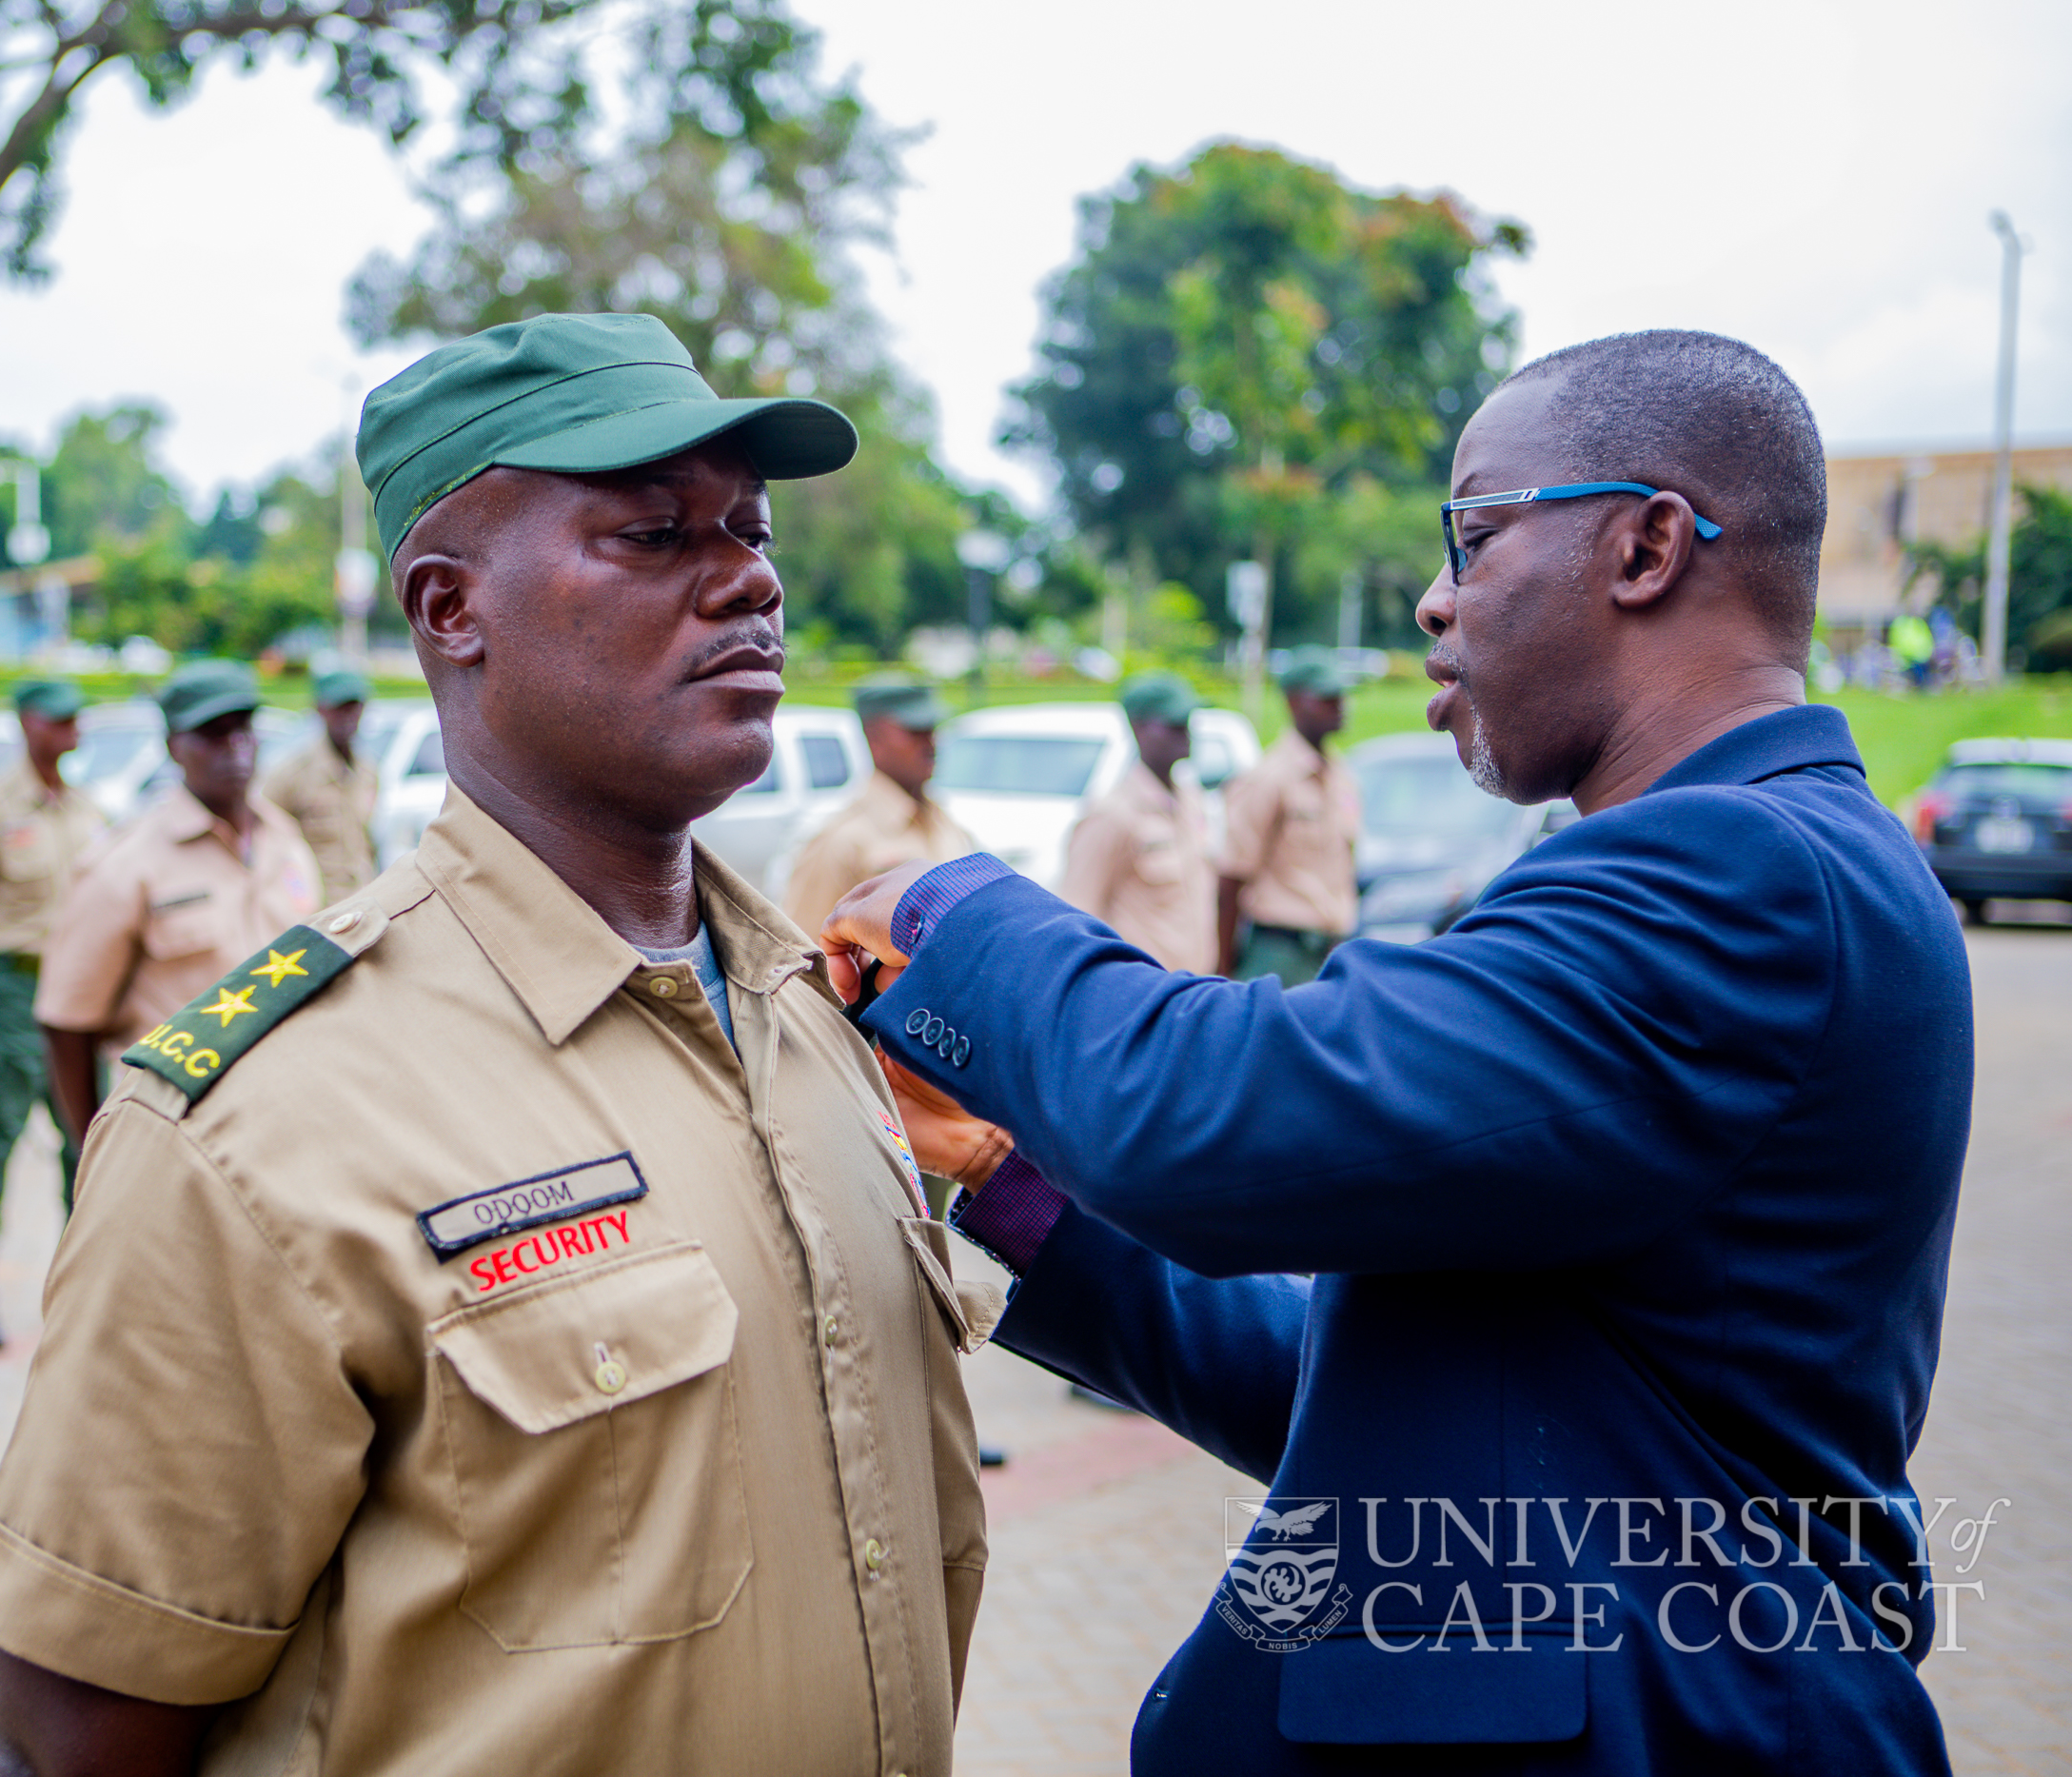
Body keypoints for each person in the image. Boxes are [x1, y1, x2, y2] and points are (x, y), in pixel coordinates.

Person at [820, 330, 1974, 1775]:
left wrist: (950, 916)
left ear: (1646, 545)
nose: (1437, 596)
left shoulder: (1736, 869)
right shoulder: (1768, 857)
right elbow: (1395, 1377)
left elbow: (1215, 1114)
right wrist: (1012, 1178)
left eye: (1476, 535)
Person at [0, 311, 991, 1777]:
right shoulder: (263, 1129)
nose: (751, 576)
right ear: (452, 607)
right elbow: (79, 1731)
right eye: (654, 533)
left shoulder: (813, 1023)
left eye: (750, 530)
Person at [33, 661, 321, 1151]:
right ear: (173, 747)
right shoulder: (126, 864)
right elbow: (67, 1024)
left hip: (285, 1122)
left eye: (243, 729)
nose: (234, 748)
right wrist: (92, 1149)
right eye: (211, 733)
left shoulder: (285, 841)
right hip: (181, 1136)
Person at [0, 679, 104, 1352]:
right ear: (26, 722)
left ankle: (84, 1289)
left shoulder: (87, 809)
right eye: (56, 718)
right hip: (6, 992)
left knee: (84, 1143)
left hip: (75, 997)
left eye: (74, 717)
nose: (69, 728)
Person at [779, 673, 976, 938]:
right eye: (915, 731)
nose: (931, 743)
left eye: (932, 729)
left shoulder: (941, 820)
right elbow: (805, 957)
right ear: (875, 738)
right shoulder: (841, 840)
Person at [1214, 646, 1359, 985]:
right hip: (1280, 951)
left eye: (1341, 696)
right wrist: (1224, 969)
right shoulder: (1269, 777)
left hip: (1329, 950)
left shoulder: (1340, 775)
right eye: (1326, 698)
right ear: (1294, 702)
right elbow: (1232, 877)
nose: (1340, 706)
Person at [1057, 671, 1217, 975]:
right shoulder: (1113, 814)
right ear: (1139, 728)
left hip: (1196, 990)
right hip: (1144, 994)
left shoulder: (1190, 799)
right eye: (1173, 725)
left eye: (1187, 723)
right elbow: (1078, 920)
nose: (1186, 733)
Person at [258, 666, 382, 898]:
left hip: (363, 903)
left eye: (354, 708)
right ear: (321, 710)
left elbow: (368, 843)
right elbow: (267, 847)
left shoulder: (367, 770)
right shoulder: (292, 774)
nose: (348, 717)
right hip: (319, 911)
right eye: (339, 709)